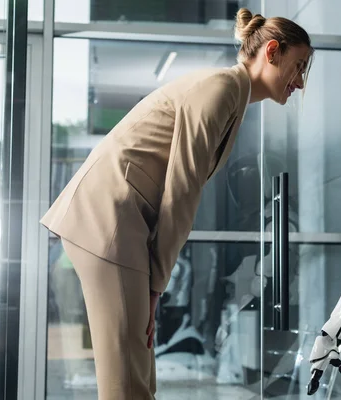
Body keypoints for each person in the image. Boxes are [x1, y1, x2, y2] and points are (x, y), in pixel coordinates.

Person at [40, 7, 313, 400]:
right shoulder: (220, 90)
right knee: (125, 382)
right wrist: (156, 286)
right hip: (108, 222)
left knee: (136, 370)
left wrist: (154, 284)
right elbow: (182, 191)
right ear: (272, 52)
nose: (300, 82)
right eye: (299, 66)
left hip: (116, 223)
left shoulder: (230, 94)